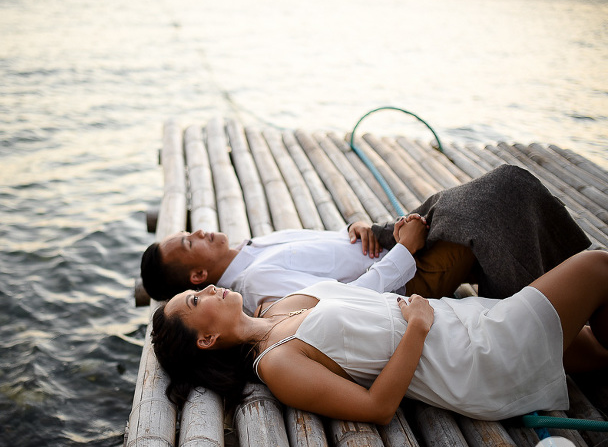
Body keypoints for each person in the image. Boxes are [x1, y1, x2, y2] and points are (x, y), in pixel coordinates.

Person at [151, 250, 608, 423]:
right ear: (206, 340)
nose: (205, 288)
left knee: (593, 349)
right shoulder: (276, 363)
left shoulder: (276, 305)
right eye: (194, 301)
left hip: (466, 317)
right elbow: (377, 408)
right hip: (475, 359)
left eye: (195, 289)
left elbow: (358, 294)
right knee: (596, 266)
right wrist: (417, 327)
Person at [141, 165, 591, 314]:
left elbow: (330, 250)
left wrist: (361, 231)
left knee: (492, 191)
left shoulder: (252, 248)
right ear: (199, 274)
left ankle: (569, 278)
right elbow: (347, 302)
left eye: (188, 232)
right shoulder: (257, 285)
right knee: (495, 197)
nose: (199, 231)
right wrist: (405, 250)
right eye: (188, 242)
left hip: (389, 249)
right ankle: (550, 300)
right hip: (405, 282)